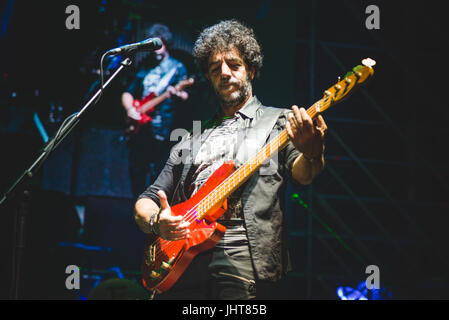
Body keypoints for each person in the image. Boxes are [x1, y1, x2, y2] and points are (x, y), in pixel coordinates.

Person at [134, 20, 327, 299]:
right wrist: (156, 222)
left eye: (234, 65)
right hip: (182, 260)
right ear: (210, 78)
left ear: (250, 69)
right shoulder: (191, 137)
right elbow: (148, 198)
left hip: (241, 255)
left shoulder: (278, 122)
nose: (224, 73)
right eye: (215, 69)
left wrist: (313, 151)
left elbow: (304, 174)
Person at [121, 23, 190, 197]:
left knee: (159, 174)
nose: (157, 50)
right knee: (136, 171)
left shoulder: (177, 67)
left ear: (166, 43)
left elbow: (187, 96)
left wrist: (177, 95)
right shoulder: (144, 66)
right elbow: (128, 92)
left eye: (161, 44)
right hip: (140, 129)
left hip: (165, 131)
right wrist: (130, 109)